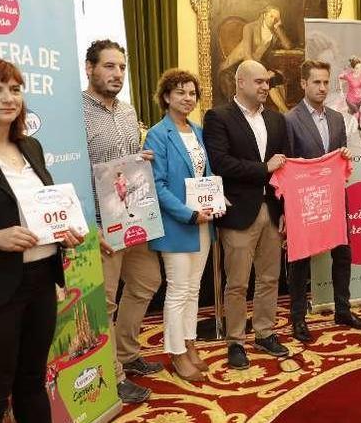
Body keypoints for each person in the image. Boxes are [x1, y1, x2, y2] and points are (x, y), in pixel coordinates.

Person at [0, 57, 84, 422]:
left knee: (32, 381)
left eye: (15, 89)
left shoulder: (30, 147)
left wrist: (63, 232)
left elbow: (42, 208)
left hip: (40, 283)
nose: (8, 98)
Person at [81, 39, 161, 403]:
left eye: (122, 68)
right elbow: (72, 168)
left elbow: (127, 162)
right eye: (109, 66)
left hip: (133, 218)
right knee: (106, 301)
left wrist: (141, 157)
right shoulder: (75, 113)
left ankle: (128, 354)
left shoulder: (129, 112)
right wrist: (89, 224)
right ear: (90, 68)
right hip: (101, 224)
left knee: (147, 282)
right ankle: (113, 376)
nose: (117, 74)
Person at [203, 60, 291, 369]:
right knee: (237, 283)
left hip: (272, 210)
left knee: (270, 278)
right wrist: (263, 168)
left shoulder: (278, 121)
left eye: (267, 81)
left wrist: (285, 210)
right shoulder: (218, 117)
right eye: (258, 82)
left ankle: (265, 332)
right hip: (239, 212)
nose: (265, 86)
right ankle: (236, 341)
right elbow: (221, 163)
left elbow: (286, 170)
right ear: (240, 83)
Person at [284, 60, 361, 342]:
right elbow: (287, 166)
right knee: (300, 259)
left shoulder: (336, 118)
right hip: (304, 203)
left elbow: (339, 156)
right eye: (316, 82)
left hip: (335, 197)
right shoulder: (289, 119)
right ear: (303, 84)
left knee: (343, 253)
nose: (322, 87)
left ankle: (342, 310)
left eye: (325, 82)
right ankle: (298, 317)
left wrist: (343, 156)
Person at [144, 69, 218, 381]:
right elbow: (157, 186)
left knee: (193, 289)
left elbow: (207, 177)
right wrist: (188, 213)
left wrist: (216, 202)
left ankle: (189, 343)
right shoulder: (157, 135)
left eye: (191, 93)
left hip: (203, 223)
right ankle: (175, 352)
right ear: (166, 97)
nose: (187, 98)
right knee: (177, 290)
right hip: (178, 225)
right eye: (180, 93)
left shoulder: (199, 131)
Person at [219, 6, 293, 73]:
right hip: (236, 65)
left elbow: (288, 46)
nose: (273, 20)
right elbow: (247, 56)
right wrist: (260, 72)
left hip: (255, 65)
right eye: (271, 16)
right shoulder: (250, 27)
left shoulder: (274, 34)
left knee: (278, 77)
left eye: (276, 18)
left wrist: (278, 28)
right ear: (264, 15)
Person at [338, 56, 361, 149]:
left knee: (355, 118)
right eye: (357, 68)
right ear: (353, 68)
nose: (359, 69)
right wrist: (340, 90)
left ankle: (347, 114)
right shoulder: (348, 75)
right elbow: (340, 78)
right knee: (360, 119)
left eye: (360, 67)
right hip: (350, 100)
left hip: (360, 100)